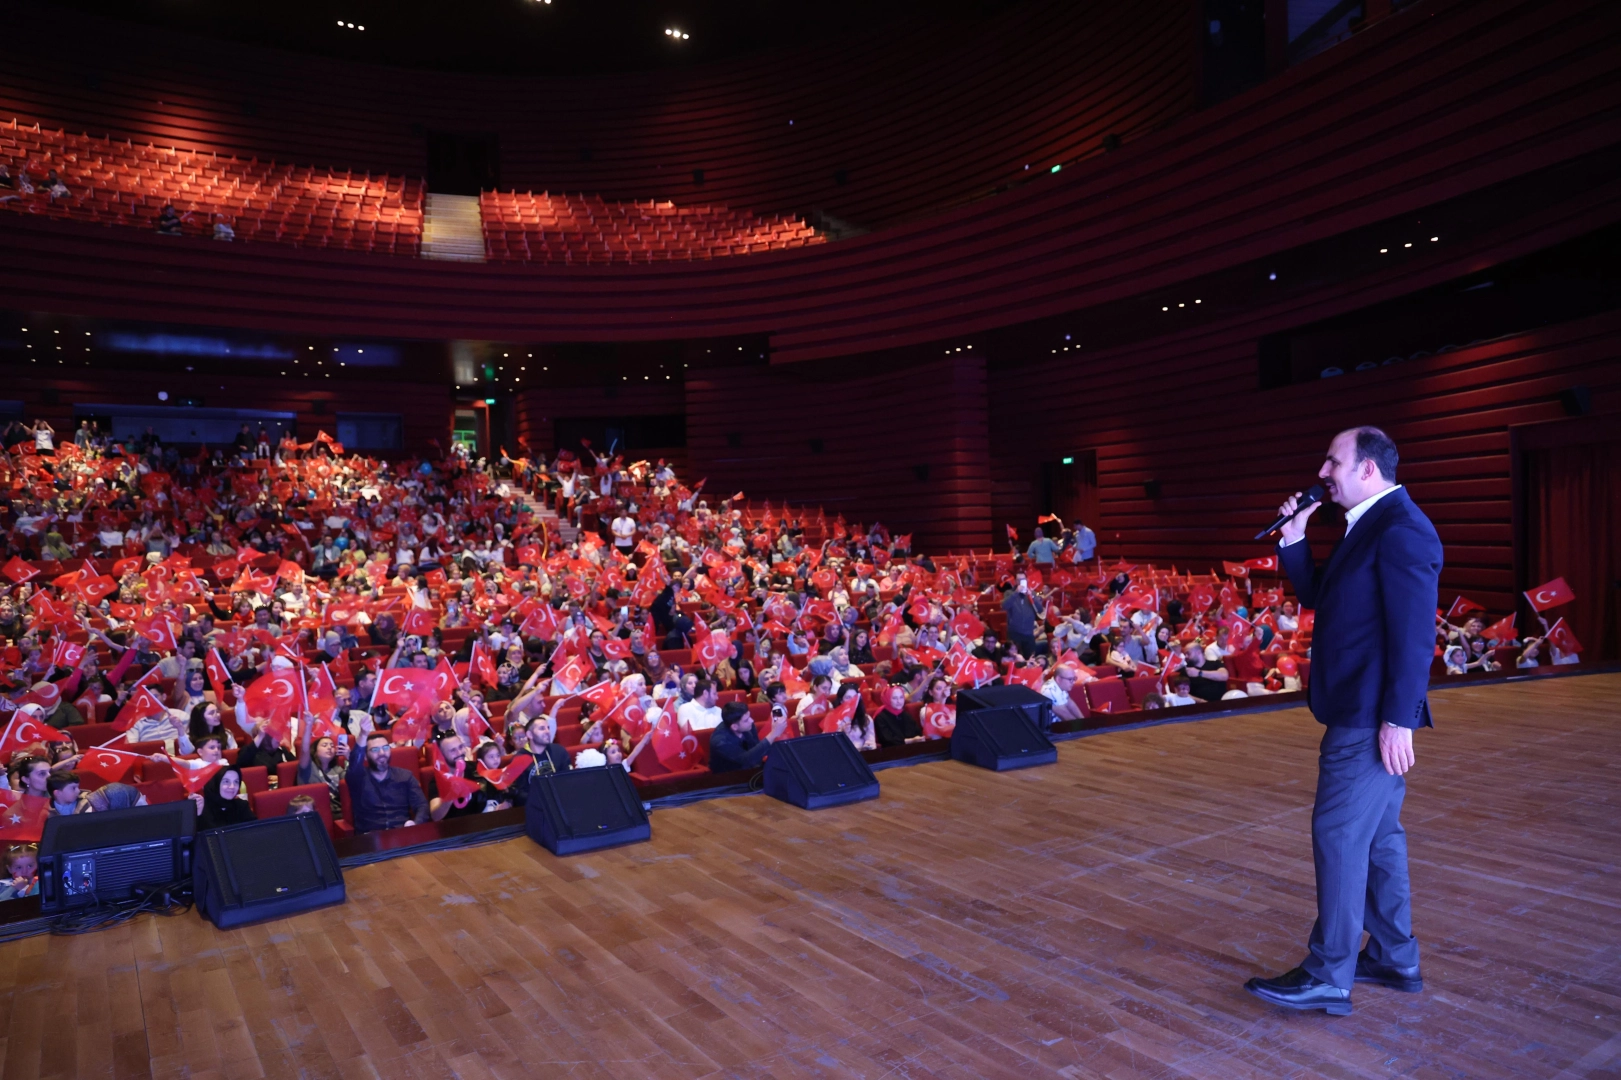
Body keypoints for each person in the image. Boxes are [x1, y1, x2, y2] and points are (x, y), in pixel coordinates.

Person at [1245, 426, 1441, 1016]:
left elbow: (1413, 638)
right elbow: (1326, 599)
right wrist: (1296, 537)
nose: (1323, 471)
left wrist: (1398, 720)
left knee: (1337, 836)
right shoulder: (1369, 524)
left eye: (1333, 460)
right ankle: (1394, 955)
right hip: (1360, 707)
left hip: (1367, 716)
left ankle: (1330, 972)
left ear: (1367, 470)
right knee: (1380, 840)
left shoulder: (1402, 530)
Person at [345, 732, 429, 832]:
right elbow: (354, 764)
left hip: (402, 833)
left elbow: (422, 805)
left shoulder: (405, 776)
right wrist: (363, 734)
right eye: (375, 750)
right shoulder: (357, 778)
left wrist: (415, 824)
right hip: (370, 837)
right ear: (365, 756)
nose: (381, 753)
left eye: (385, 748)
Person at [707, 700, 787, 772]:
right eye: (746, 720)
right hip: (727, 779)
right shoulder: (719, 741)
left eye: (749, 717)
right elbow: (746, 759)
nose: (752, 720)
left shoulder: (749, 726)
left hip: (751, 770)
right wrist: (773, 734)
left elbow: (757, 752)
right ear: (734, 726)